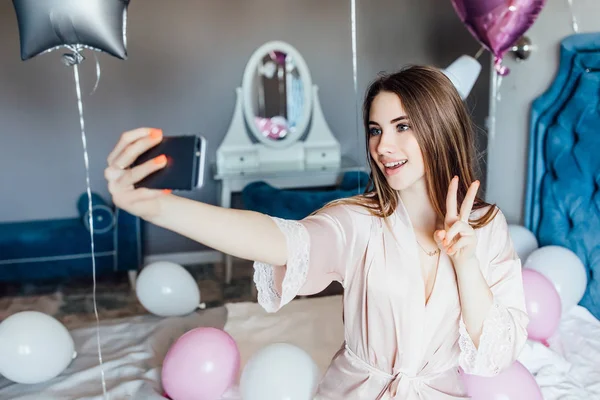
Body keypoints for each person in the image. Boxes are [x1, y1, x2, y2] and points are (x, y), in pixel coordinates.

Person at [104, 65, 529, 399]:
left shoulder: (487, 229)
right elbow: (276, 238)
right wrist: (158, 206)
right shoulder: (357, 221)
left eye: (402, 126)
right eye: (376, 130)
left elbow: (496, 353)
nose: (382, 146)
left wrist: (465, 262)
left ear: (441, 128)